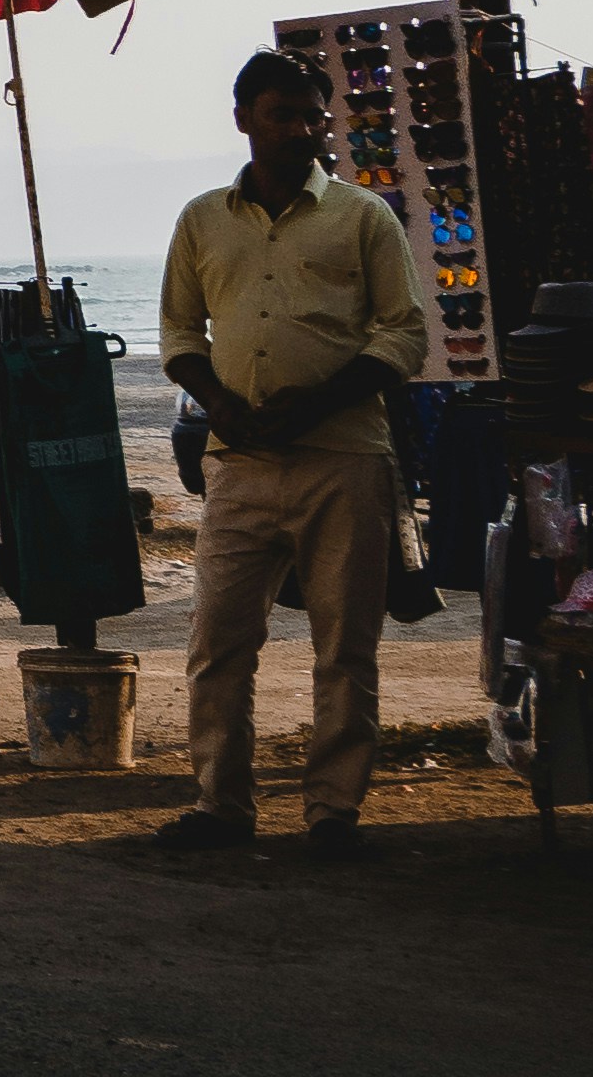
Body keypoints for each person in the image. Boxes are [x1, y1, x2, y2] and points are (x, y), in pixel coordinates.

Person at [152, 48, 422, 858]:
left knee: (347, 645)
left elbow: (404, 331)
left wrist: (321, 398)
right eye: (284, 114)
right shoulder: (203, 219)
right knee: (219, 642)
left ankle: (334, 812)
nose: (303, 129)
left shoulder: (362, 216)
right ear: (244, 119)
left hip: (344, 457)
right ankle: (220, 806)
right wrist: (223, 403)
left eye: (313, 115)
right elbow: (178, 332)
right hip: (239, 464)